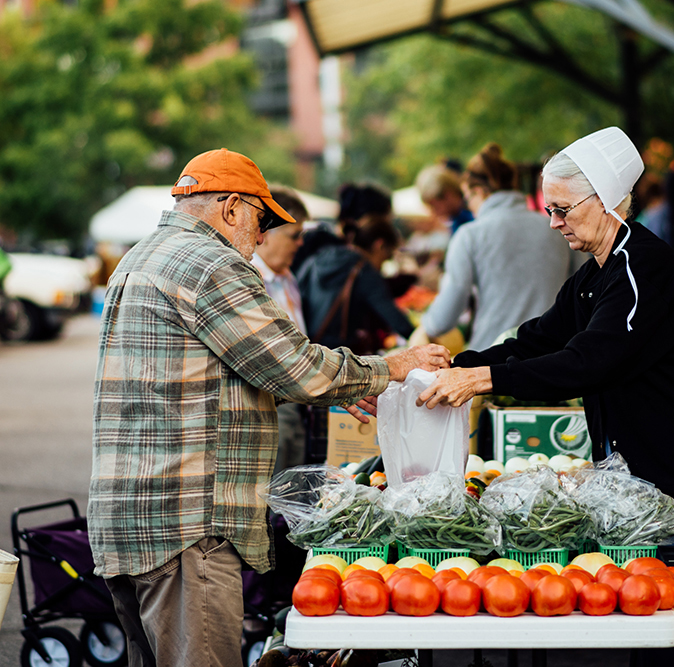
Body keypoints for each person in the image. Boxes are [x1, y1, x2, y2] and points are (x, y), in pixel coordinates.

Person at [89, 148, 449, 667]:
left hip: (131, 518)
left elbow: (205, 378)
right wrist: (392, 366)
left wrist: (346, 387)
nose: (261, 238)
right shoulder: (209, 263)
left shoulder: (142, 256)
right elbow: (295, 365)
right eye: (261, 219)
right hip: (187, 525)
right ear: (232, 207)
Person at [417, 128, 674, 546]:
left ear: (605, 201)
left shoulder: (642, 269)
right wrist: (450, 368)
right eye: (549, 208)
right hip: (656, 492)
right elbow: (536, 340)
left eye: (562, 209)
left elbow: (590, 360)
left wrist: (483, 381)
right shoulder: (593, 276)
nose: (553, 222)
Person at [417, 142, 580, 351]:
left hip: (493, 355)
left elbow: (444, 317)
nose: (471, 208)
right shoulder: (556, 227)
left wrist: (425, 326)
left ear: (478, 192)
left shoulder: (469, 235)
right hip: (554, 351)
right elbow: (582, 285)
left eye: (468, 198)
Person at [251, 186, 309, 473]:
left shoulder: (287, 277)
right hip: (271, 400)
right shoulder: (249, 279)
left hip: (296, 396)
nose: (300, 244)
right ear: (268, 233)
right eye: (295, 235)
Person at [297, 213, 415, 354]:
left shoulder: (320, 256)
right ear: (380, 245)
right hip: (339, 351)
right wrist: (423, 338)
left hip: (307, 345)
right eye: (386, 257)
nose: (383, 266)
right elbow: (394, 318)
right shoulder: (363, 269)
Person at [415, 162, 474, 235]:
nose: (434, 214)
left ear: (448, 195)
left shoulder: (472, 214)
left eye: (434, 207)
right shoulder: (457, 220)